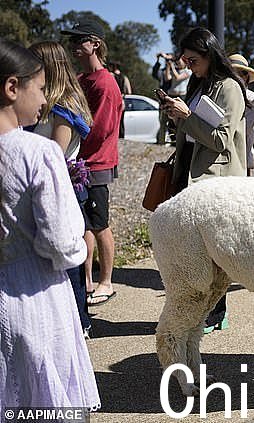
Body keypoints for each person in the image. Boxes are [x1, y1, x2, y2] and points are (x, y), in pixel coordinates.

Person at [0, 36, 100, 411]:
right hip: (36, 294)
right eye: (40, 88)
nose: (44, 99)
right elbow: (61, 241)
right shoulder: (36, 152)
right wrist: (79, 244)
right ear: (13, 87)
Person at [163, 27, 247, 333]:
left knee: (218, 253)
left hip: (218, 182)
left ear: (210, 54)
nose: (188, 65)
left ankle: (216, 311)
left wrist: (187, 117)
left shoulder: (230, 88)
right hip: (194, 175)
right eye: (185, 59)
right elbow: (196, 132)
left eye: (193, 59)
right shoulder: (199, 84)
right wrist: (176, 117)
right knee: (200, 251)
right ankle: (207, 308)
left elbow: (221, 140)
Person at [28, 40, 94, 337]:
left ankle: (79, 323)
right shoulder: (52, 103)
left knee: (68, 262)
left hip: (62, 189)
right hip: (54, 188)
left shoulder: (63, 106)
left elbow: (56, 152)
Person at [62, 19, 123, 305]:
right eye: (71, 41)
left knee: (100, 224)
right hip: (80, 163)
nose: (73, 45)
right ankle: (85, 281)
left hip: (97, 164)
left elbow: (101, 128)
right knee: (83, 224)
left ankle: (106, 281)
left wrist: (70, 139)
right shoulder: (82, 80)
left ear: (95, 44)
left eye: (79, 40)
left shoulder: (105, 82)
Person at [229, 53, 254, 176]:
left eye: (238, 73)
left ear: (246, 76)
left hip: (241, 159)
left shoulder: (253, 99)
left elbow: (239, 130)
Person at [108, 61, 131, 139]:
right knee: (121, 121)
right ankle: (121, 137)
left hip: (113, 101)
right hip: (121, 101)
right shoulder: (124, 77)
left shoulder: (110, 75)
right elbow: (129, 91)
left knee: (112, 120)